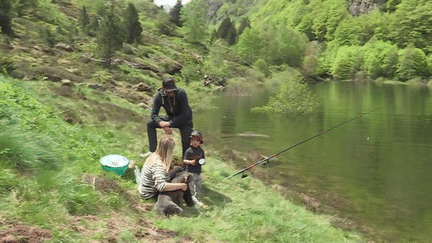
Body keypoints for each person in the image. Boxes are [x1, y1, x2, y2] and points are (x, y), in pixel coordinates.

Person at [146, 77, 193, 157]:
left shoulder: (181, 93)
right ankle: (152, 152)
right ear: (163, 88)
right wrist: (161, 123)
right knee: (150, 123)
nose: (172, 93)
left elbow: (185, 114)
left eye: (173, 91)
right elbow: (153, 114)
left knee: (186, 139)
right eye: (169, 91)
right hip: (170, 117)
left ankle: (186, 158)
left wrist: (169, 123)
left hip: (184, 120)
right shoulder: (159, 96)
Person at [136, 137, 192, 205]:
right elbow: (161, 186)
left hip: (147, 187)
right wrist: (181, 186)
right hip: (150, 194)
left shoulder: (153, 155)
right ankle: (190, 203)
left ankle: (190, 199)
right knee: (182, 185)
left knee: (179, 169)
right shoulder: (158, 165)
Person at [182, 130, 206, 207]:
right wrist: (191, 162)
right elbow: (184, 161)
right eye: (193, 140)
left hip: (198, 171)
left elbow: (203, 159)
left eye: (197, 141)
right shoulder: (189, 151)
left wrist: (202, 161)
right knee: (191, 184)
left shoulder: (201, 151)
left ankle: (198, 195)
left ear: (200, 142)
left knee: (199, 183)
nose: (195, 142)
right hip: (190, 171)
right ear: (190, 141)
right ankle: (192, 196)